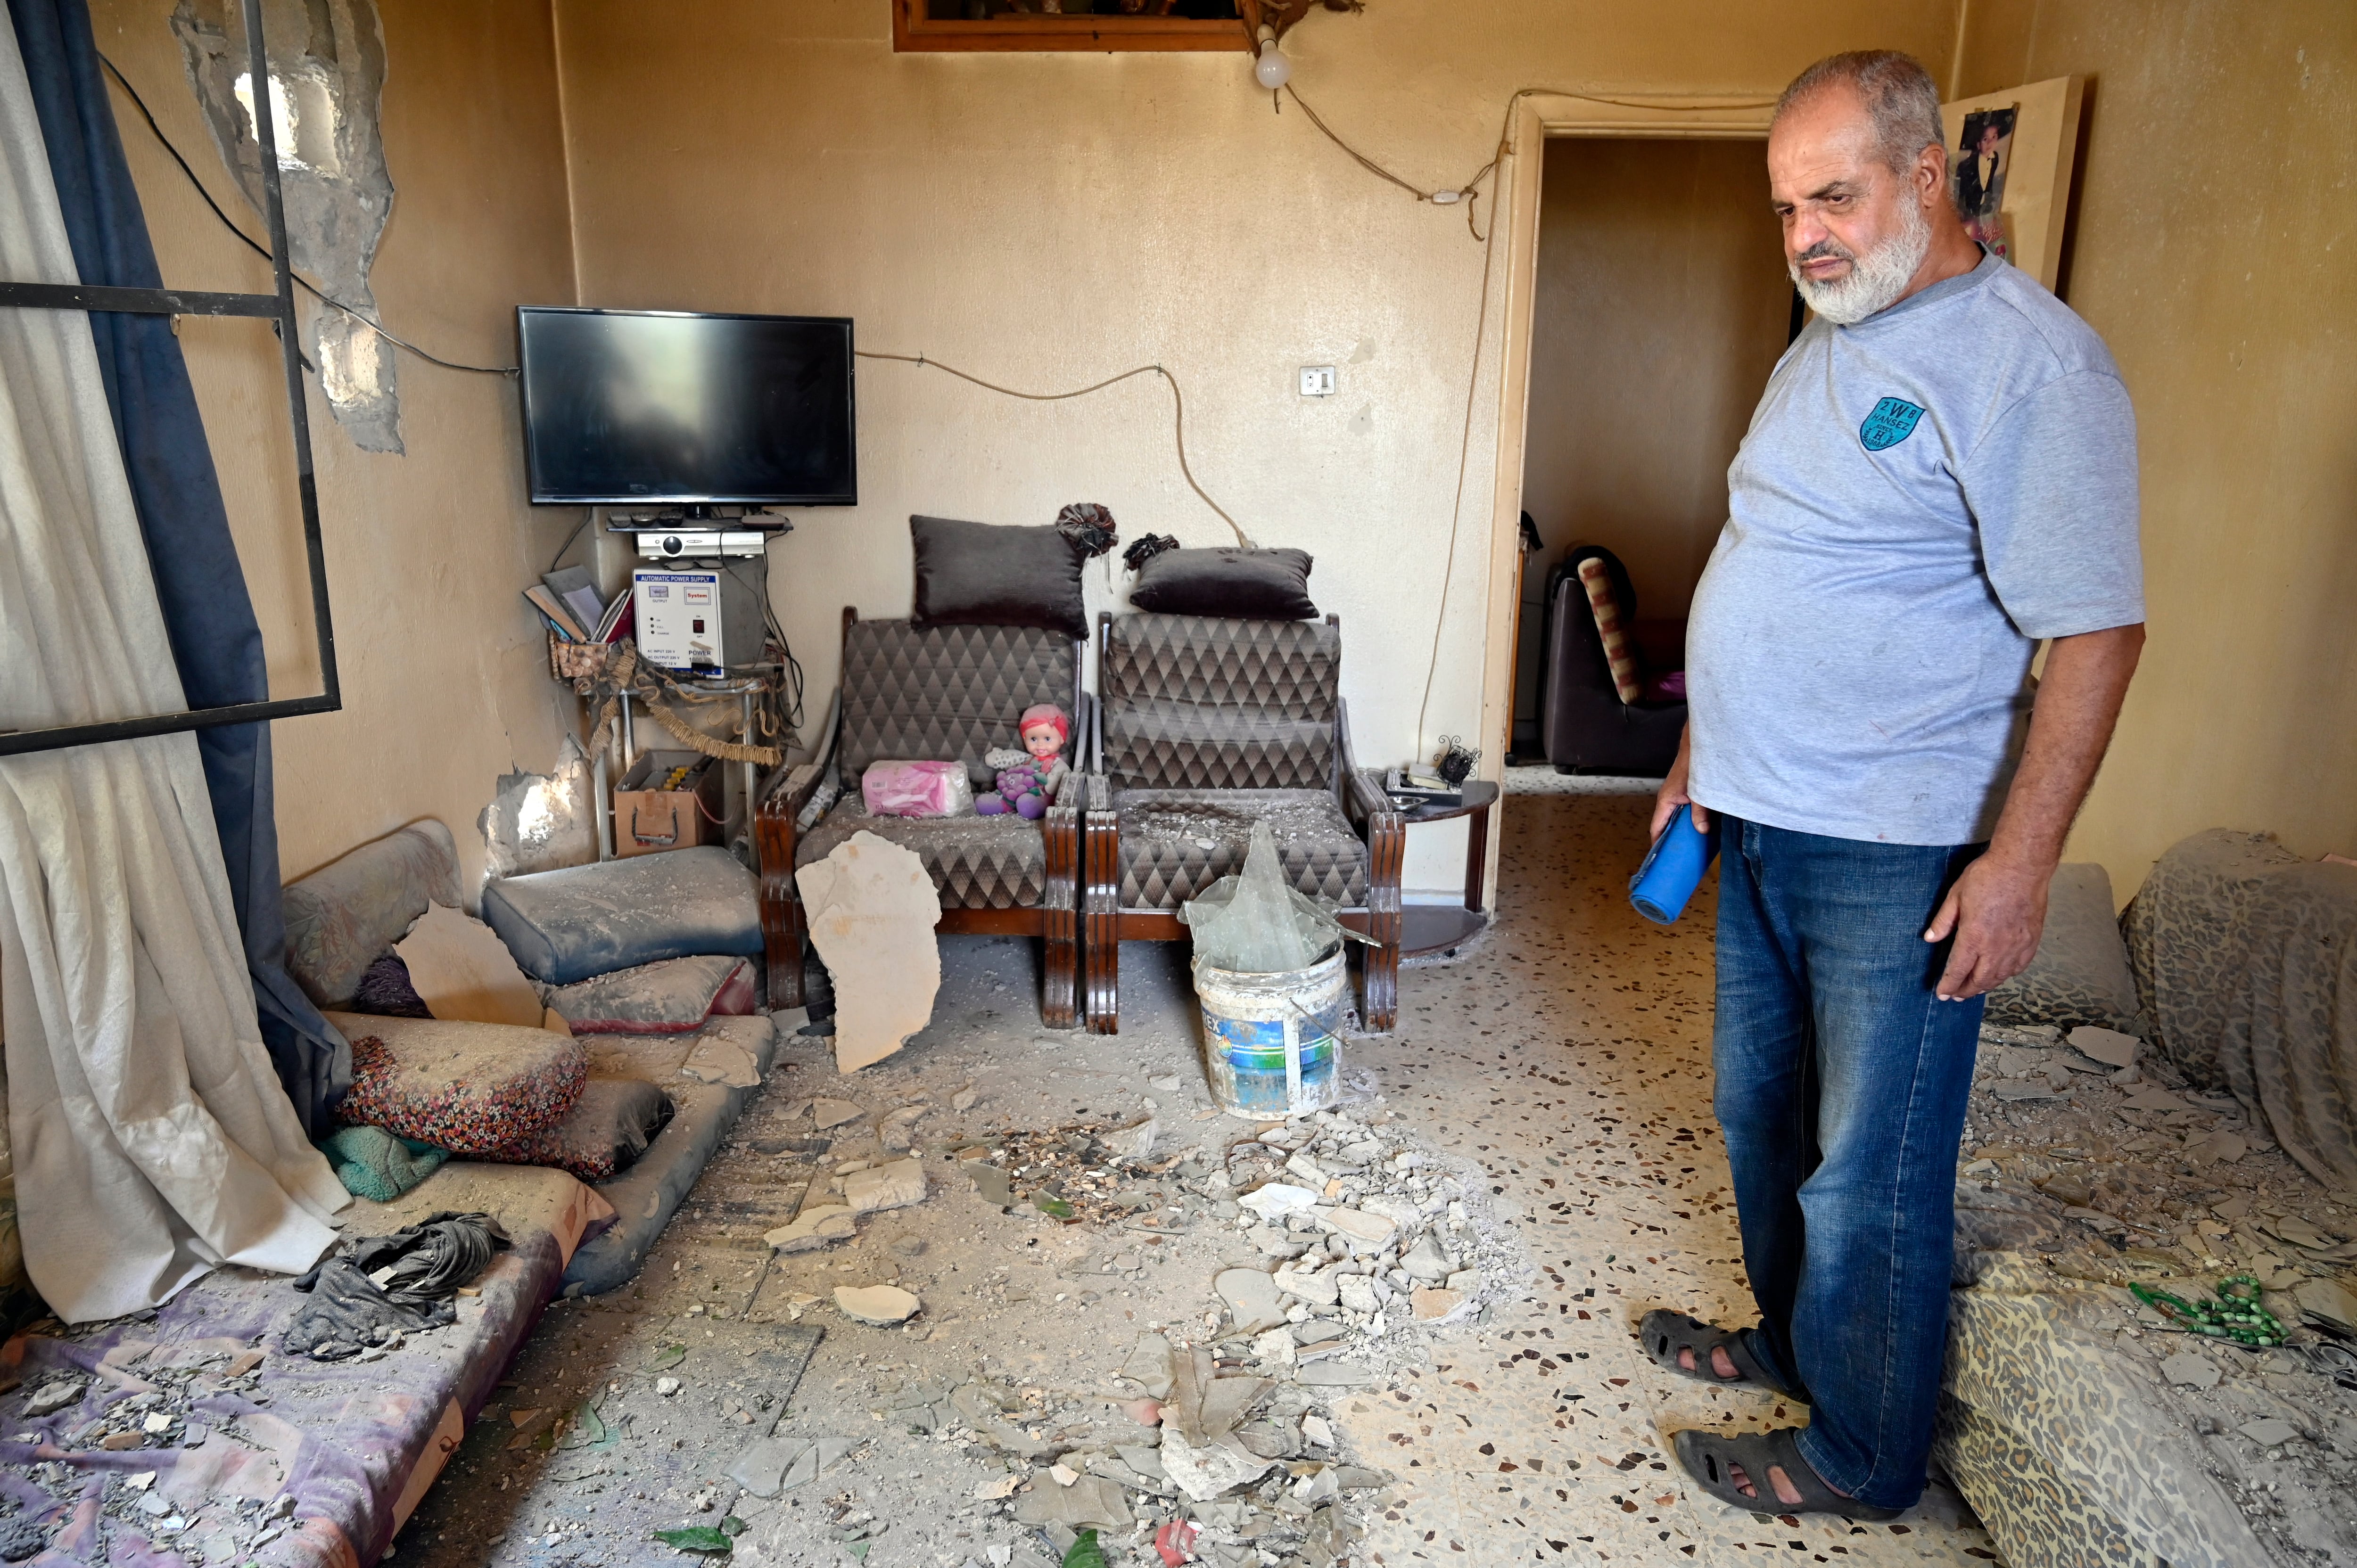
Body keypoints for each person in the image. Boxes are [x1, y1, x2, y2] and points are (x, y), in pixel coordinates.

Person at [1641, 50, 2145, 1521]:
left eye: (1836, 195)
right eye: (1788, 203)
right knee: (1762, 1113)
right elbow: (1772, 563)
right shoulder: (1830, 337)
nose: (1806, 231)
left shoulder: (2031, 364)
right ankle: (1799, 1343)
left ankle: (1860, 1454)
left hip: (1899, 845)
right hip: (1766, 816)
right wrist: (1695, 758)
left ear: (1930, 175)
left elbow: (2097, 630)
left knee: (1869, 1172)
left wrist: (2018, 863)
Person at [1953, 116, 2005, 218]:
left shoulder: (1995, 158)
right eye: (1986, 139)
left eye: (1994, 137)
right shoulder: (1966, 166)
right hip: (1970, 210)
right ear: (1978, 144)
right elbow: (1961, 194)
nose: (1990, 143)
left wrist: (1988, 198)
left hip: (1985, 207)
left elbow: (1990, 179)